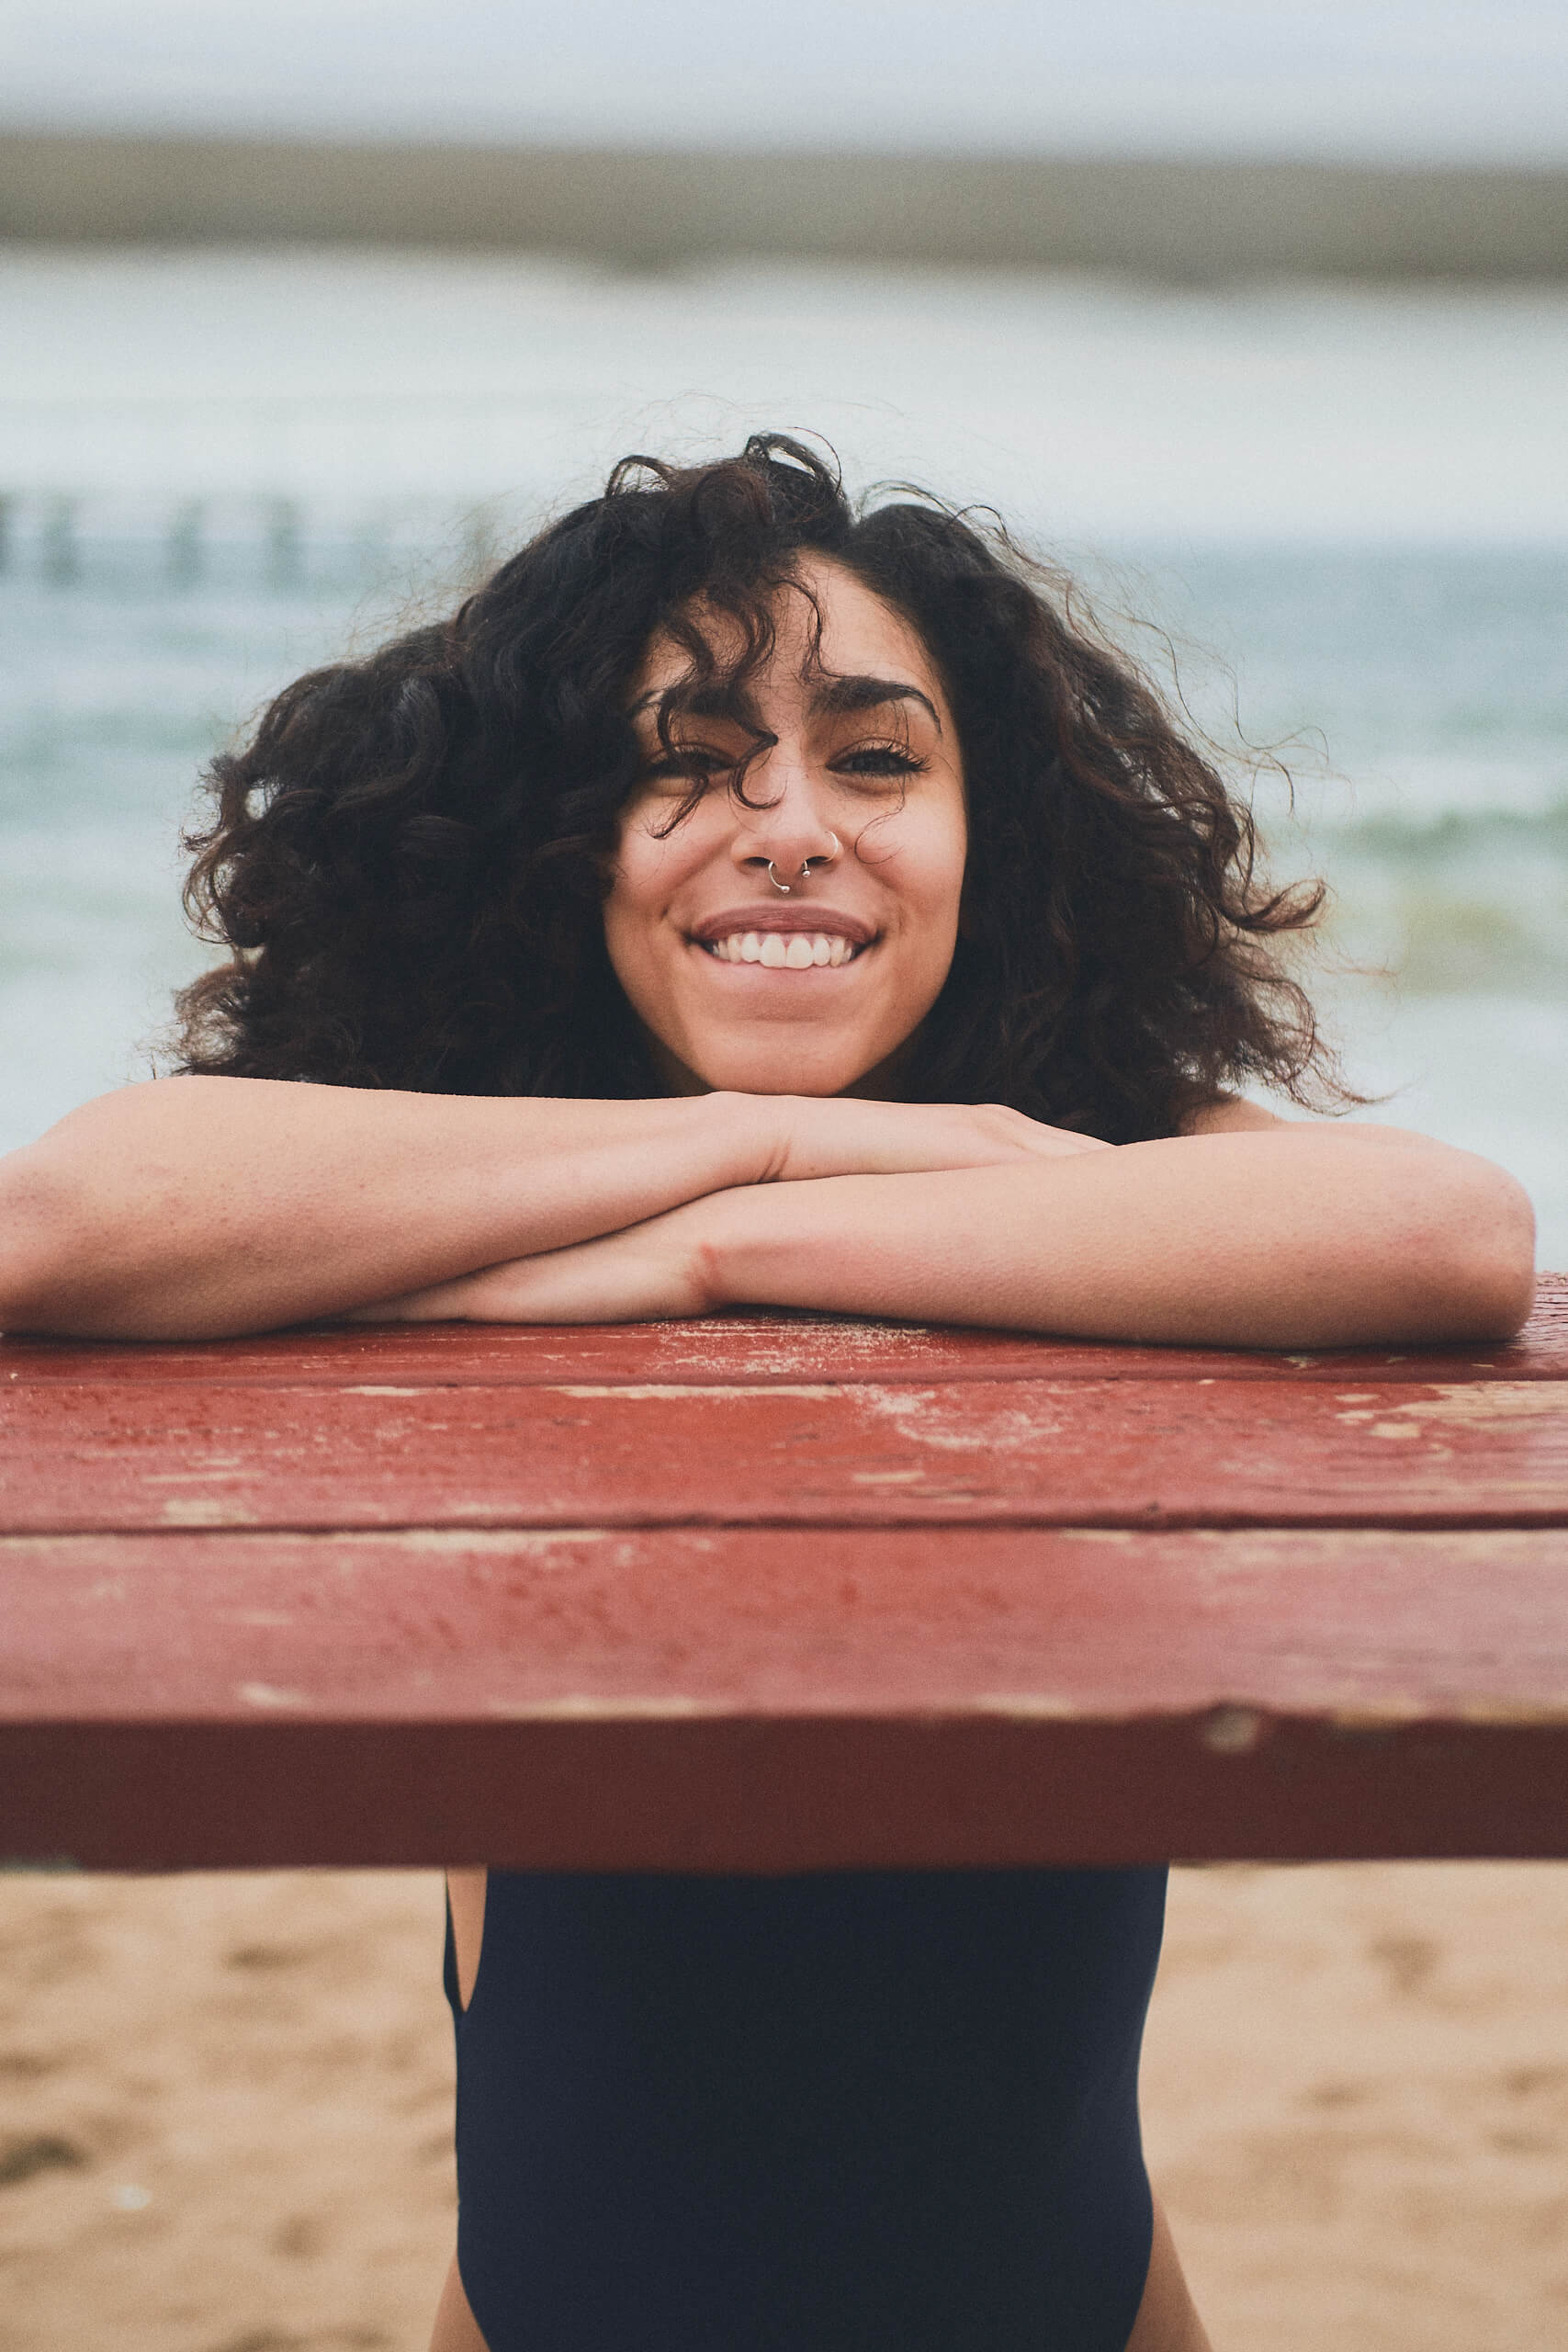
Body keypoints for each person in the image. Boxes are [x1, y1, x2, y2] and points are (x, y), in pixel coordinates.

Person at [0, 436, 1533, 2351]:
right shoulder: (489, 1140)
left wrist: (738, 1232)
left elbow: (1444, 1235)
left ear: (1000, 838)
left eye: (876, 758)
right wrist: (753, 1155)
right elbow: (63, 1214)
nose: (787, 822)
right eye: (679, 756)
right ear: (545, 838)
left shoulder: (1095, 1139)